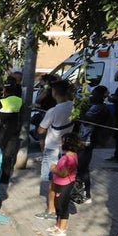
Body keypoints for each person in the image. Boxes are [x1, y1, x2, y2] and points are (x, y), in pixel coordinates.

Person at [36, 81, 75, 219]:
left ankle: (51, 209)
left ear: (55, 93)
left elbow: (41, 129)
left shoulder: (53, 111)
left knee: (52, 180)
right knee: (64, 179)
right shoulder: (73, 106)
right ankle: (61, 207)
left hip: (52, 147)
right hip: (67, 148)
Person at [47, 133, 81, 236]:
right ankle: (57, 225)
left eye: (62, 142)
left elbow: (64, 173)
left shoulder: (68, 158)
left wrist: (53, 169)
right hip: (59, 184)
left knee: (63, 206)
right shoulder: (70, 155)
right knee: (58, 205)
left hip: (65, 185)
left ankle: (62, 229)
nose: (61, 144)